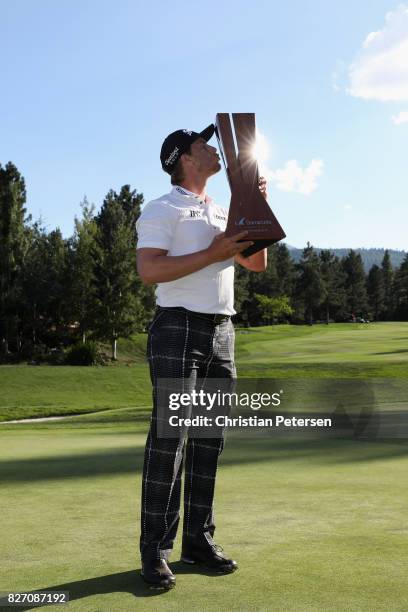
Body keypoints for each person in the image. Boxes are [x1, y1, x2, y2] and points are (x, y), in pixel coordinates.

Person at [136, 124, 268, 589]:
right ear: (182, 158)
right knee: (170, 440)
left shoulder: (221, 210)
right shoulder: (162, 208)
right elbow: (149, 269)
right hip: (177, 326)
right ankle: (155, 550)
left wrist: (253, 207)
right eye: (203, 145)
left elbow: (255, 263)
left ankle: (197, 540)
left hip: (222, 329)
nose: (214, 149)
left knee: (209, 440)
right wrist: (214, 252)